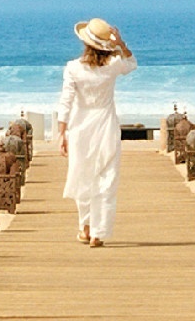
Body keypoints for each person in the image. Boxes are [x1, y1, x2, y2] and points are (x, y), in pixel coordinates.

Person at [57, 17, 136, 248]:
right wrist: (120, 43)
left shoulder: (73, 68)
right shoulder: (113, 65)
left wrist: (61, 133)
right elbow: (132, 63)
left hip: (80, 127)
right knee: (106, 178)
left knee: (83, 176)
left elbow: (66, 101)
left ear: (85, 43)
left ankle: (85, 227)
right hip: (106, 125)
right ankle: (97, 233)